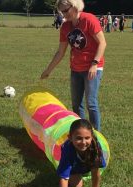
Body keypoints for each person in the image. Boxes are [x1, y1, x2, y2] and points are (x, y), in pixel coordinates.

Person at [40, 0, 106, 131]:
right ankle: (81, 132)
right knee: (76, 105)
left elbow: (102, 43)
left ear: (75, 6)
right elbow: (60, 52)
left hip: (92, 68)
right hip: (76, 69)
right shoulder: (65, 27)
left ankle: (96, 135)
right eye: (61, 12)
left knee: (91, 103)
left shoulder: (88, 20)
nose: (64, 14)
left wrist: (94, 63)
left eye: (66, 10)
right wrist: (48, 70)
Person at [57, 119, 106, 187]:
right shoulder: (68, 149)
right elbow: (64, 178)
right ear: (70, 138)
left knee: (91, 168)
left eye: (87, 138)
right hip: (74, 167)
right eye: (79, 138)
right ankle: (77, 174)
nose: (83, 142)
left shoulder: (95, 147)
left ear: (91, 137)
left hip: (86, 164)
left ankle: (82, 170)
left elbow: (95, 172)